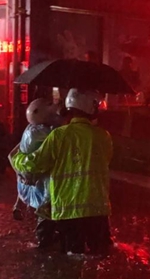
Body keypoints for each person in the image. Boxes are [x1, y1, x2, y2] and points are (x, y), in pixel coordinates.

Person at [11, 88, 113, 256]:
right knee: (100, 256)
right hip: (99, 211)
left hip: (69, 212)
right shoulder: (104, 136)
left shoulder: (59, 135)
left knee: (74, 259)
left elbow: (36, 163)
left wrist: (17, 158)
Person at [11, 98, 62, 248]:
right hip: (42, 183)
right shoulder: (40, 132)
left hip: (33, 180)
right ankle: (44, 244)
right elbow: (58, 137)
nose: (53, 105)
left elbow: (12, 155)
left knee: (46, 213)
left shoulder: (30, 130)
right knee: (46, 213)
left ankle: (45, 242)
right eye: (49, 104)